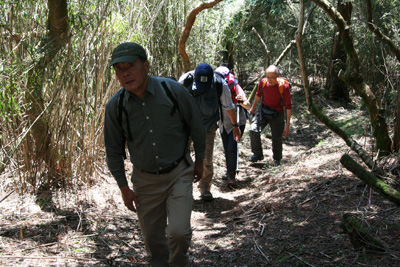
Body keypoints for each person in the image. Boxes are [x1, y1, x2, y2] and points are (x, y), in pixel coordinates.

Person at [104, 42, 206, 267]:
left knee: (179, 232)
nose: (125, 73)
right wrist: (123, 188)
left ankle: (180, 263)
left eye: (131, 65)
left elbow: (196, 126)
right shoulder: (116, 106)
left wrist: (200, 161)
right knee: (153, 241)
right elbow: (112, 150)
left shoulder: (172, 90)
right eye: (119, 69)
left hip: (179, 172)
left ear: (146, 65)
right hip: (145, 181)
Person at [179, 63, 241, 201]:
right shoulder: (185, 80)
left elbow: (228, 106)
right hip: (185, 126)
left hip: (208, 125)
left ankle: (205, 188)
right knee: (181, 156)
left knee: (206, 157)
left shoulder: (220, 84)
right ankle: (183, 188)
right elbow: (174, 101)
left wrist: (235, 126)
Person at [249, 65, 292, 166]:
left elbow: (288, 106)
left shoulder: (284, 86)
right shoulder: (263, 82)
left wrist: (288, 125)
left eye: (272, 77)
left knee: (276, 138)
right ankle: (258, 154)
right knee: (253, 130)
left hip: (278, 114)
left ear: (278, 76)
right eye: (268, 77)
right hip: (263, 111)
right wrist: (253, 107)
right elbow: (258, 94)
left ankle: (277, 159)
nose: (269, 80)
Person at [214, 66, 251, 187]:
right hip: (223, 122)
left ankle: (231, 176)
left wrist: (241, 101)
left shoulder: (234, 85)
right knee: (226, 147)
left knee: (232, 147)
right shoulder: (215, 85)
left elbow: (248, 105)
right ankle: (230, 169)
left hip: (238, 122)